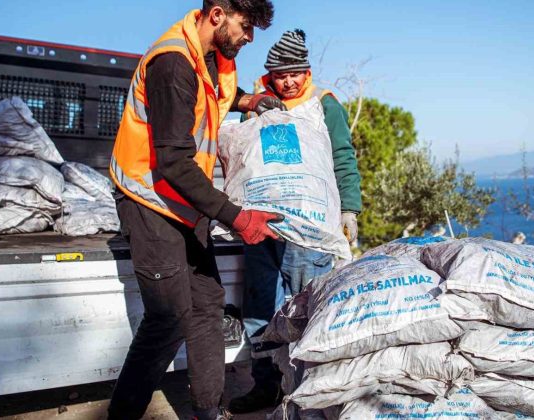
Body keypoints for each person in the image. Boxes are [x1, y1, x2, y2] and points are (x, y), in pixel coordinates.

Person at [107, 2, 287, 419]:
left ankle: (208, 411)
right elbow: (172, 162)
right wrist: (237, 217)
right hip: (149, 199)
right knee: (167, 319)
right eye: (247, 27)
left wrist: (250, 101)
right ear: (218, 15)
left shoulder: (214, 58)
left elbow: (216, 99)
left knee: (208, 304)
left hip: (185, 201)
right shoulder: (172, 63)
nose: (249, 38)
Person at [229, 29, 363, 414]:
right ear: (270, 74)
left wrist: (348, 208)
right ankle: (266, 385)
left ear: (307, 73)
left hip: (308, 231)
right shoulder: (256, 103)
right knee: (260, 309)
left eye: (295, 74)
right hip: (261, 225)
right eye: (280, 74)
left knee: (309, 309)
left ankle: (313, 394)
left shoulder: (325, 105)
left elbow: (342, 156)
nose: (287, 82)